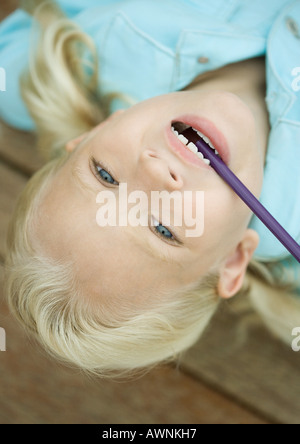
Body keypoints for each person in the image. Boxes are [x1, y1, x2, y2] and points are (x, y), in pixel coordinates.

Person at [1, 0, 300, 378]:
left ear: (91, 134)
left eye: (105, 175)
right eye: (163, 230)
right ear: (233, 258)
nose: (155, 173)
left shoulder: (114, 42)